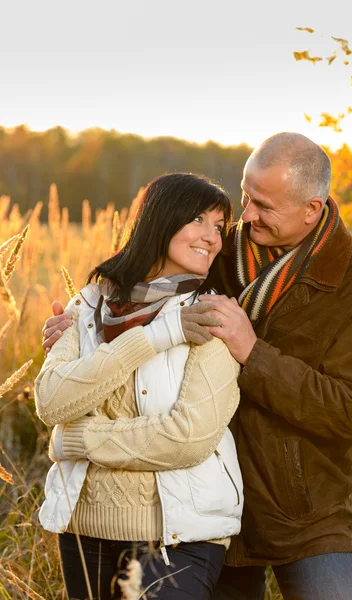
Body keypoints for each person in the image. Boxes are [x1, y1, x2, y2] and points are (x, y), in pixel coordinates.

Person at [43, 133, 352, 600]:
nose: (245, 215)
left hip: (304, 512)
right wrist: (83, 325)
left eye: (263, 206)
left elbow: (347, 409)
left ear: (311, 208)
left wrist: (255, 354)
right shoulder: (217, 250)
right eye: (246, 196)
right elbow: (143, 286)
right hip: (205, 507)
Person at [35, 173, 243, 600]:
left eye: (220, 226)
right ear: (161, 219)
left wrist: (79, 438)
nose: (213, 237)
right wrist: (157, 335)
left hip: (181, 534)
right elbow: (52, 401)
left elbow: (188, 438)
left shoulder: (212, 315)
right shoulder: (90, 303)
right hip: (85, 529)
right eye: (200, 220)